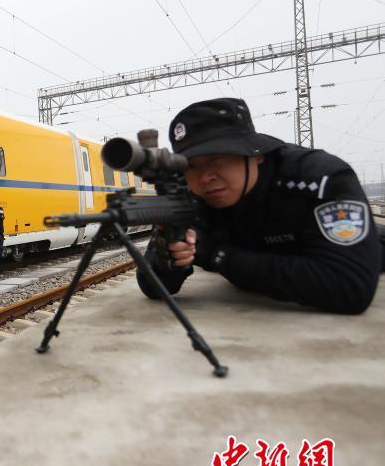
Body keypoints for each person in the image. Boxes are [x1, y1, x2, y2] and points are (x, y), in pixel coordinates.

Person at [137, 97, 382, 314]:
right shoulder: (186, 191)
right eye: (191, 164)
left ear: (256, 154)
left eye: (217, 159)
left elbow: (350, 287)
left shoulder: (319, 178)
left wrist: (216, 255)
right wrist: (170, 260)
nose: (205, 176)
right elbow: (153, 286)